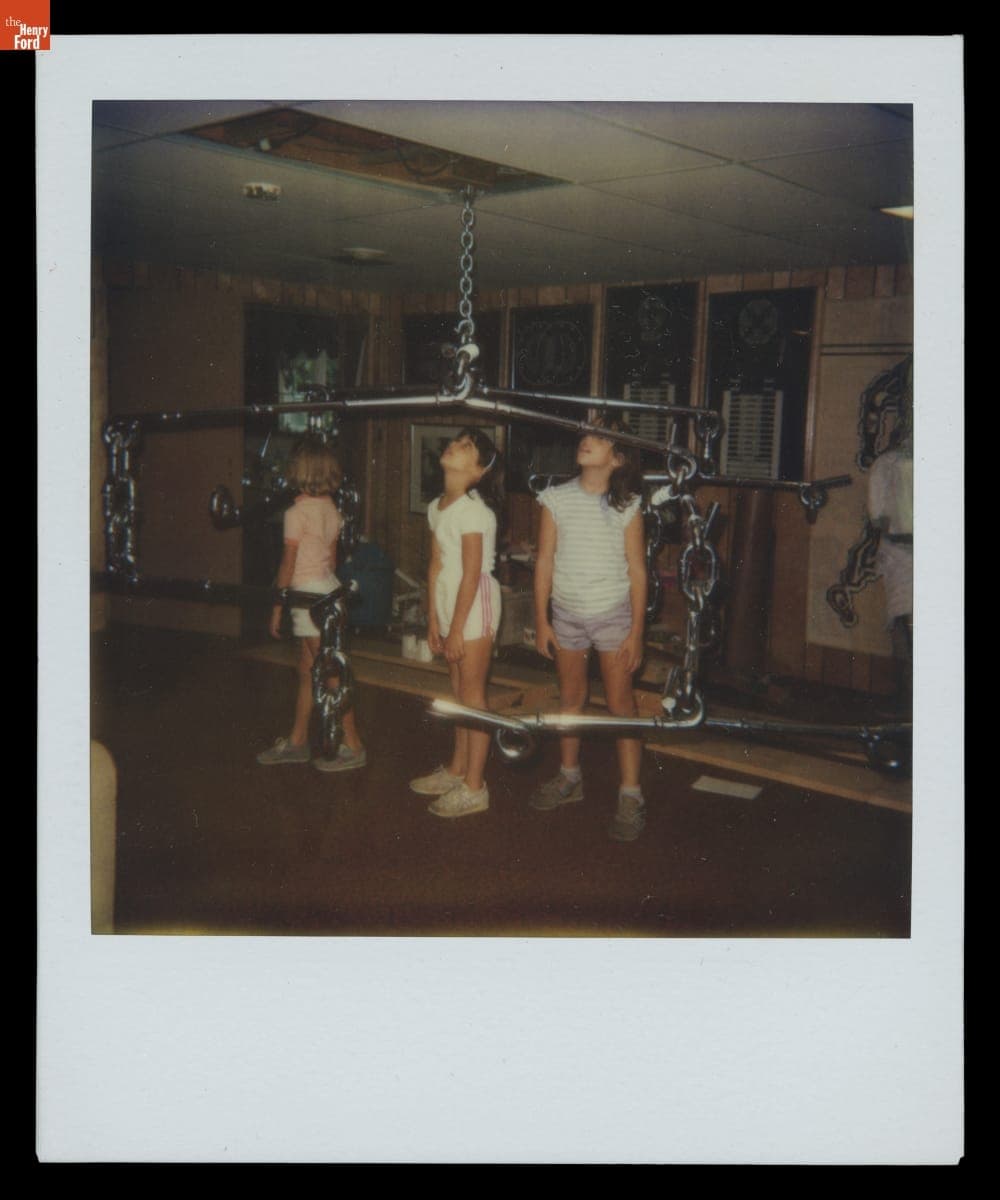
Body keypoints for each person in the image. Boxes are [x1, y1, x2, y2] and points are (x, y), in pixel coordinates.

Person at [532, 423, 648, 841]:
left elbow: (637, 570)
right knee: (570, 697)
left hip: (613, 615)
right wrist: (542, 619)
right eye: (586, 435)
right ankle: (569, 776)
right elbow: (544, 561)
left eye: (599, 439)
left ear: (617, 459)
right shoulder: (555, 499)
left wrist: (636, 632)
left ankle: (631, 792)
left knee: (621, 703)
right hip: (566, 614)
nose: (587, 440)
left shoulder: (627, 506)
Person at [256, 435, 366, 772]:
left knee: (329, 672)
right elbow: (331, 560)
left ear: (297, 472)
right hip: (327, 590)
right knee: (308, 671)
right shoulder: (331, 509)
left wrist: (278, 605)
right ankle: (298, 741)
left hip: (307, 597)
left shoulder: (295, 513)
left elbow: (287, 564)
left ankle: (354, 745)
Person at [409, 428, 503, 817]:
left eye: (466, 447)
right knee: (457, 691)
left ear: (478, 471)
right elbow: (434, 565)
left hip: (474, 605)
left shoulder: (475, 512)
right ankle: (457, 769)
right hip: (449, 602)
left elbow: (471, 573)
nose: (453, 445)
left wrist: (459, 629)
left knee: (472, 697)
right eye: (456, 440)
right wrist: (432, 618)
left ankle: (475, 787)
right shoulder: (437, 507)